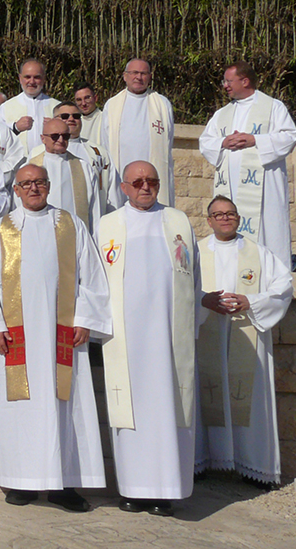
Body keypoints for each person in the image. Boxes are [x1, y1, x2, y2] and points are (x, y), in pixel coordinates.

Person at [0, 163, 110, 512]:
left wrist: (85, 319)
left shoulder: (70, 225)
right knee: (18, 409)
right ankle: (20, 481)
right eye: (26, 184)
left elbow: (91, 277)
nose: (33, 188)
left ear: (48, 186)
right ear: (16, 191)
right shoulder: (2, 228)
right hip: (15, 339)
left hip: (62, 336)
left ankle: (63, 485)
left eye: (39, 182)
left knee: (64, 407)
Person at [97, 160, 202, 517]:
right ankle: (133, 490)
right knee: (131, 412)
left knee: (168, 408)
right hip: (125, 337)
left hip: (170, 336)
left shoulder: (178, 221)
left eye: (152, 181)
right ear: (124, 188)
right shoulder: (108, 225)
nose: (146, 187)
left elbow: (194, 277)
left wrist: (190, 322)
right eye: (138, 181)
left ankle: (166, 491)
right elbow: (95, 279)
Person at [195, 195, 293, 489]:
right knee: (204, 393)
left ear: (238, 218)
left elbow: (283, 287)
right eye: (218, 214)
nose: (225, 218)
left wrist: (251, 301)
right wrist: (203, 301)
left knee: (250, 400)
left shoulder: (259, 253)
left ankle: (254, 466)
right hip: (207, 333)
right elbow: (181, 288)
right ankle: (203, 461)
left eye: (230, 214)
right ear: (209, 220)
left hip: (248, 334)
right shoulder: (196, 252)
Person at [199, 62, 296, 264]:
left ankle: (270, 276)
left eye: (229, 81)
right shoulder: (222, 114)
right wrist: (223, 143)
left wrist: (255, 140)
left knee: (266, 232)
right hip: (231, 188)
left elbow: (289, 137)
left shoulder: (273, 107)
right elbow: (205, 142)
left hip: (265, 189)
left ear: (245, 81)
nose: (225, 85)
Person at [101, 59, 175, 207]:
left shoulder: (162, 104)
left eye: (143, 73)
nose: (138, 77)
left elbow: (168, 141)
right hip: (120, 171)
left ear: (150, 77)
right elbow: (105, 143)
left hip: (152, 170)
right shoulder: (112, 104)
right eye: (134, 72)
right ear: (125, 76)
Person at [25, 117, 102, 235]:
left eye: (65, 136)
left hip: (75, 235)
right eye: (55, 136)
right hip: (40, 233)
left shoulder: (83, 167)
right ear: (43, 138)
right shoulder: (30, 168)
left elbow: (94, 209)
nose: (61, 140)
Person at [57, 101, 114, 210]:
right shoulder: (39, 153)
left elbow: (113, 193)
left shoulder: (98, 153)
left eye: (76, 116)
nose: (71, 119)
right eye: (65, 116)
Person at [0, 59, 60, 153]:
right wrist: (15, 127)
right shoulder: (6, 107)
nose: (32, 81)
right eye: (27, 77)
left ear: (44, 79)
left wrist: (56, 127)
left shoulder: (57, 106)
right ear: (20, 78)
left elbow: (73, 135)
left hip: (48, 160)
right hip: (18, 160)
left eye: (37, 77)